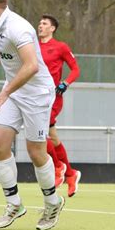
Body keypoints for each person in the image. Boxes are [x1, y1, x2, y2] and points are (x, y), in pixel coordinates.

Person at [0, 0, 64, 230]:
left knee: (36, 152)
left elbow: (31, 66)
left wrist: (5, 92)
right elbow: (3, 49)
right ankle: (14, 203)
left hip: (36, 94)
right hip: (14, 91)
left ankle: (52, 203)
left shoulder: (19, 28)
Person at [38, 14, 81, 197]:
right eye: (39, 23)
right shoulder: (33, 46)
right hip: (36, 98)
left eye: (44, 23)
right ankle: (71, 174)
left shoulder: (60, 46)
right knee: (52, 138)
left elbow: (76, 69)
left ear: (52, 28)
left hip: (53, 98)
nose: (40, 26)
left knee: (41, 134)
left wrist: (65, 83)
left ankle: (58, 167)